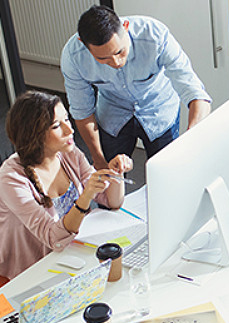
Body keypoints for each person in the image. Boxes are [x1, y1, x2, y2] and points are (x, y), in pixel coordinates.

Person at [0, 91, 133, 284]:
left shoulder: (69, 153)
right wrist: (85, 197)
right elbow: (52, 238)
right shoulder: (11, 178)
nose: (69, 130)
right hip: (32, 268)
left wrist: (116, 174)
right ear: (33, 135)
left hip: (72, 251)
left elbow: (111, 201)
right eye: (57, 126)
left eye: (67, 120)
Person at [61, 5, 211, 170]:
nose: (116, 63)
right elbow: (82, 112)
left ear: (125, 27)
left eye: (119, 52)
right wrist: (98, 158)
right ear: (83, 44)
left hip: (159, 109)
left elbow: (194, 90)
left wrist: (193, 135)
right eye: (103, 59)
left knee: (165, 173)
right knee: (111, 177)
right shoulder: (73, 57)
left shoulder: (155, 35)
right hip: (112, 112)